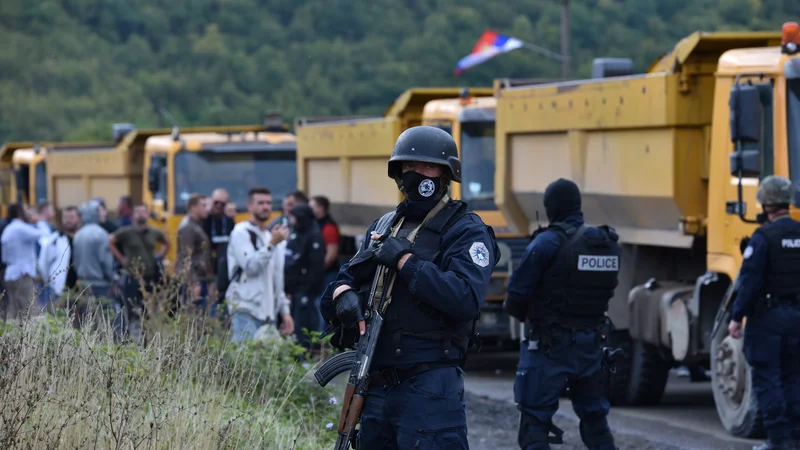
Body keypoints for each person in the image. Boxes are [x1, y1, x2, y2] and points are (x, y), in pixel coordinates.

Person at [320, 125, 498, 449]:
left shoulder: (466, 230)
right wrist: (341, 294)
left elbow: (464, 298)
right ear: (398, 173)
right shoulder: (385, 226)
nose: (418, 174)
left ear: (445, 175)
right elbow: (344, 278)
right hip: (376, 384)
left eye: (428, 167)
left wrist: (404, 261)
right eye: (409, 167)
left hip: (430, 387)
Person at [503, 178, 621, 450]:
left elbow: (515, 297)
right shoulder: (607, 243)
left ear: (551, 207)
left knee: (534, 424)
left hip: (549, 347)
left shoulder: (547, 242)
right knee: (595, 421)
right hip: (591, 345)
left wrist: (537, 319)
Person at [728, 175, 800, 450]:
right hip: (797, 316)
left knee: (768, 377)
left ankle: (779, 440)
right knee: (794, 375)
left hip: (768, 319)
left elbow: (749, 281)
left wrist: (737, 316)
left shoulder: (763, 238)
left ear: (764, 204)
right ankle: (796, 435)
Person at [225, 187, 294, 342]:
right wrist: (271, 245)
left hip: (268, 313)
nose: (266, 207)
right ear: (250, 206)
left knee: (265, 363)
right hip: (245, 308)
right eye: (261, 203)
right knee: (244, 362)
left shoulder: (270, 236)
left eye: (269, 203)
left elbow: (277, 278)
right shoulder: (241, 232)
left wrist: (285, 311)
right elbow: (251, 268)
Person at [283, 203, 326, 350]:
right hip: (293, 288)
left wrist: (307, 289)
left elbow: (315, 268)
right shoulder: (295, 234)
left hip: (306, 289)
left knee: (305, 321)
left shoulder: (314, 236)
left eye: (293, 217)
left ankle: (306, 350)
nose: (291, 220)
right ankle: (297, 349)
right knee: (295, 321)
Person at [0, 203, 47, 321]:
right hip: (22, 274)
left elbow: (5, 257)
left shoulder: (9, 228)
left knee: (14, 311)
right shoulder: (20, 228)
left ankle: (11, 337)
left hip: (10, 273)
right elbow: (44, 234)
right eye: (27, 211)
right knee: (30, 311)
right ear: (20, 213)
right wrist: (39, 221)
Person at [37, 205, 81, 309]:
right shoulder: (54, 240)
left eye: (72, 217)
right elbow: (43, 263)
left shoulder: (82, 238)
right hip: (58, 289)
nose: (68, 221)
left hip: (80, 288)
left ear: (78, 218)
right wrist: (51, 281)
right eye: (66, 218)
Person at [177, 194, 214, 313]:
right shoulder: (188, 227)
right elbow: (185, 256)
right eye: (203, 205)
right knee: (194, 319)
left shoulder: (197, 225)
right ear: (193, 207)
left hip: (201, 277)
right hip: (194, 281)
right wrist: (192, 282)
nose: (206, 209)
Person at [310, 195, 341, 330]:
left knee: (323, 307)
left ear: (321, 208)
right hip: (319, 275)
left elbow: (331, 254)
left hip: (327, 275)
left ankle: (325, 343)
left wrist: (317, 271)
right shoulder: (315, 225)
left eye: (312, 207)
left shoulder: (328, 227)